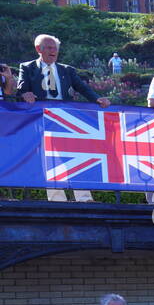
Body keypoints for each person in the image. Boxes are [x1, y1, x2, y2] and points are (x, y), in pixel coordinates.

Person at [17, 33, 111, 202]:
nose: (54, 51)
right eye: (50, 48)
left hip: (66, 121)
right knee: (51, 159)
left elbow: (83, 88)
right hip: (41, 121)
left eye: (55, 48)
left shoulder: (67, 70)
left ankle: (83, 197)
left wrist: (97, 98)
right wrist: (25, 93)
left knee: (76, 156)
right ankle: (56, 198)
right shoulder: (27, 67)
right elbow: (21, 88)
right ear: (39, 49)